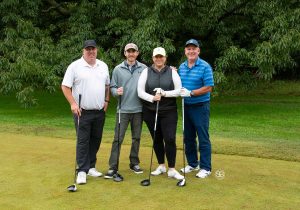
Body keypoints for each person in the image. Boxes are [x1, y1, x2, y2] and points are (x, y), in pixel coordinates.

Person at [61, 40, 110, 184]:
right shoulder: (75, 66)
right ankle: (82, 170)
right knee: (83, 141)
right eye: (88, 49)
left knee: (96, 139)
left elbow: (107, 85)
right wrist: (73, 103)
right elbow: (65, 86)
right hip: (82, 111)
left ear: (97, 50)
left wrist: (106, 101)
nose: (91, 52)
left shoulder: (103, 66)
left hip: (99, 111)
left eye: (93, 49)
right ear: (83, 51)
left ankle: (91, 166)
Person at [138, 47, 184, 180]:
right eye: (156, 57)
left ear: (165, 58)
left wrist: (164, 93)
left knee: (169, 138)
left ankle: (172, 168)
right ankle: (161, 165)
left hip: (168, 111)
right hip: (150, 111)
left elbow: (179, 90)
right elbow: (140, 91)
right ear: (153, 58)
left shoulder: (172, 72)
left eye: (161, 57)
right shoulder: (146, 71)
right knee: (156, 139)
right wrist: (152, 98)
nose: (159, 59)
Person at [104, 43, 147, 180]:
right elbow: (112, 88)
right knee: (118, 139)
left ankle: (134, 163)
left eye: (133, 51)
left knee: (136, 138)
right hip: (122, 110)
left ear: (137, 53)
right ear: (125, 53)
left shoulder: (144, 68)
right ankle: (113, 166)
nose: (131, 54)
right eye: (129, 52)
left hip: (139, 110)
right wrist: (116, 92)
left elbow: (153, 79)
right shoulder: (117, 69)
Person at [178, 39, 214, 178]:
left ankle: (206, 167)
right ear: (185, 51)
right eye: (188, 49)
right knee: (188, 137)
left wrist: (191, 93)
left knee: (203, 137)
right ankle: (193, 163)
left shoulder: (205, 66)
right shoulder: (182, 67)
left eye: (194, 49)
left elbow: (209, 87)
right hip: (186, 107)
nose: (191, 51)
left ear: (198, 51)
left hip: (200, 107)